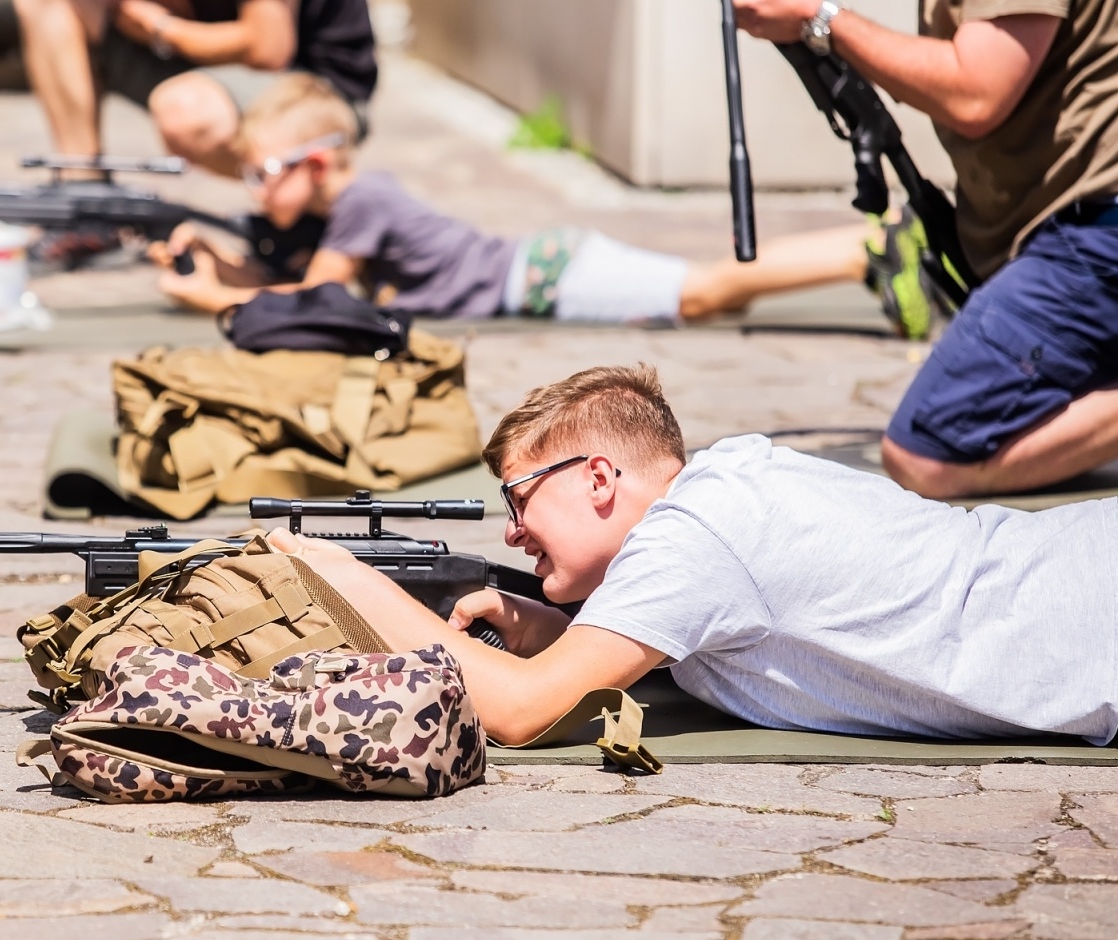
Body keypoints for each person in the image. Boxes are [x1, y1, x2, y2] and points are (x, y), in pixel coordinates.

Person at [269, 363, 1117, 748]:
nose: (512, 533)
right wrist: (561, 628)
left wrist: (341, 574)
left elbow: (520, 713)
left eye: (521, 498)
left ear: (598, 475)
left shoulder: (698, 534)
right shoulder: (729, 481)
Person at [152, 74, 941, 337]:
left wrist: (218, 295)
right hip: (543, 267)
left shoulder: (359, 203)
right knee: (697, 292)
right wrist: (223, 261)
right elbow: (296, 284)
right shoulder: (348, 203)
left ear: (315, 163)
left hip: (542, 276)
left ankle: (865, 248)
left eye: (262, 174)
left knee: (700, 292)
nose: (254, 191)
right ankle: (866, 250)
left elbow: (314, 299)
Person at [734, 0, 1118, 498]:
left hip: (1094, 228)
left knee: (929, 453)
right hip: (1054, 228)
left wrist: (818, 17)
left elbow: (976, 94)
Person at [11, 0, 376, 178]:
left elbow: (269, 48)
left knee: (186, 111)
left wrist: (162, 29)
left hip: (317, 88)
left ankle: (309, 209)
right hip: (205, 57)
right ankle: (83, 186)